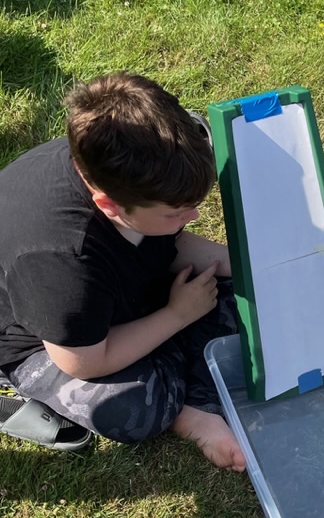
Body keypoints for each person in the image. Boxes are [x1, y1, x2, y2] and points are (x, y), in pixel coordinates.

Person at [0, 72, 246, 471]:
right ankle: (188, 409)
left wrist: (242, 263)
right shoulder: (59, 258)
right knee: (135, 408)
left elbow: (168, 243)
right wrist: (177, 315)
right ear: (109, 205)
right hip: (45, 343)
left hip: (111, 294)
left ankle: (186, 369)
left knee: (242, 290)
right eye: (176, 213)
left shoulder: (128, 162)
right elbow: (82, 362)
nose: (194, 216)